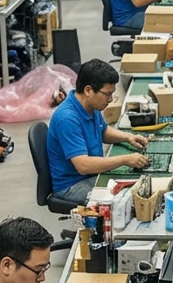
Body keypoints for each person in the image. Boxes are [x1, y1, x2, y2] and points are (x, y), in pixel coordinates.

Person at [46, 57, 152, 204]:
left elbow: (102, 130)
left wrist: (127, 137)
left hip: (91, 175)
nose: (110, 99)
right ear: (88, 90)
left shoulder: (90, 106)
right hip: (72, 185)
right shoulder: (67, 119)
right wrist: (125, 159)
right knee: (127, 200)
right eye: (107, 94)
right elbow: (83, 165)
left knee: (136, 185)